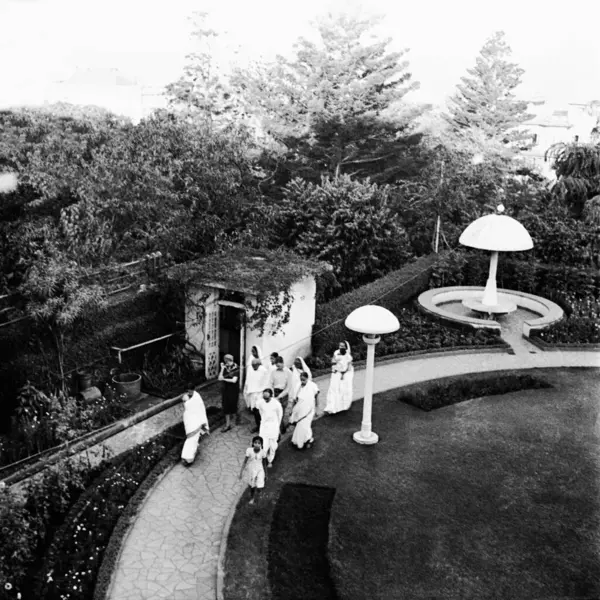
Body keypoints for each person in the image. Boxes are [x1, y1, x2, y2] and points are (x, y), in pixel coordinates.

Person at [181, 384, 210, 466]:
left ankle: (189, 459)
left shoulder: (197, 397)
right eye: (188, 390)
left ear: (193, 389)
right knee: (190, 440)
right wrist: (185, 401)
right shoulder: (186, 396)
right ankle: (186, 457)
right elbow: (187, 407)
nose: (189, 392)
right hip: (190, 422)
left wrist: (186, 401)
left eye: (190, 390)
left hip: (196, 422)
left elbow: (200, 408)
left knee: (193, 440)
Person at [290, 371, 319, 450]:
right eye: (301, 379)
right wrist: (292, 410)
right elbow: (294, 399)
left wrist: (316, 408)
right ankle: (299, 440)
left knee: (305, 425)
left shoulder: (313, 386)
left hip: (309, 410)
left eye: (304, 380)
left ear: (307, 378)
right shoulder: (297, 386)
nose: (302, 381)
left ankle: (307, 440)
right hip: (299, 410)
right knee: (300, 426)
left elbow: (316, 396)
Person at [256, 388, 283, 468]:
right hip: (264, 426)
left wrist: (278, 428)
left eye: (267, 398)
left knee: (272, 446)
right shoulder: (260, 403)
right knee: (263, 444)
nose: (265, 400)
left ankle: (270, 460)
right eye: (264, 398)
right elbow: (260, 412)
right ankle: (261, 458)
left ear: (272, 396)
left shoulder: (277, 404)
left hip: (274, 426)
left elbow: (279, 416)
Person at [324, 341, 353, 414]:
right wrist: (334, 368)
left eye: (343, 346)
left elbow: (349, 367)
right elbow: (333, 361)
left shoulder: (348, 355)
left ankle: (342, 406)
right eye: (340, 346)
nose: (341, 347)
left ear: (346, 347)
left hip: (344, 374)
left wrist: (343, 374)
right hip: (336, 373)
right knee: (333, 389)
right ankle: (331, 408)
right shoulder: (336, 352)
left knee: (343, 390)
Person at [239, 435, 268, 505]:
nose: (257, 444)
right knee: (252, 485)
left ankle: (259, 491)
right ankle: (252, 498)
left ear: (261, 444)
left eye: (259, 443)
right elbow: (245, 462)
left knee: (260, 484)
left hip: (260, 469)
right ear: (253, 443)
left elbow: (264, 464)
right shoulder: (249, 450)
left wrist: (266, 474)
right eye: (255, 442)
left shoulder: (263, 452)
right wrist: (241, 472)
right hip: (251, 469)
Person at [244, 358, 269, 433]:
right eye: (252, 365)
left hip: (260, 394)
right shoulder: (251, 369)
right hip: (252, 393)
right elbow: (248, 380)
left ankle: (263, 427)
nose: (253, 367)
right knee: (254, 411)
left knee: (260, 411)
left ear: (259, 364)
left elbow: (267, 382)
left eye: (255, 365)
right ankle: (258, 426)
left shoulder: (264, 371)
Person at [269, 356, 291, 435]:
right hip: (275, 393)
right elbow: (270, 383)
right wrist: (272, 394)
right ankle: (281, 429)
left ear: (282, 363)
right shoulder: (273, 372)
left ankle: (281, 429)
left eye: (279, 365)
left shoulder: (288, 372)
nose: (277, 367)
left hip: (283, 394)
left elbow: (288, 387)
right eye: (276, 366)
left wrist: (279, 396)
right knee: (275, 412)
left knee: (281, 413)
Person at [218, 354, 240, 432]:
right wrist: (221, 369)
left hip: (233, 390)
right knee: (226, 406)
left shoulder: (236, 368)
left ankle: (236, 417)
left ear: (229, 360)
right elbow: (219, 378)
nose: (225, 362)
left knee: (233, 404)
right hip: (226, 390)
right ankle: (228, 425)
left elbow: (234, 380)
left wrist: (224, 379)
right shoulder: (225, 368)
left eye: (226, 360)